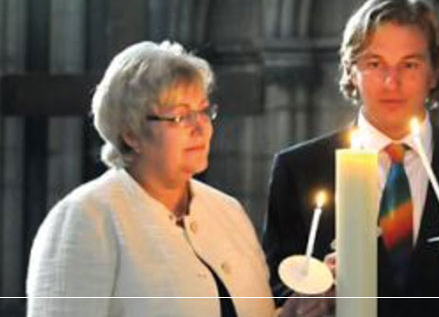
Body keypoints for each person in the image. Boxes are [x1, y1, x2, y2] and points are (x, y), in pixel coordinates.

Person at [263, 0, 439, 317]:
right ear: (351, 71)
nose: (392, 82)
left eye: (410, 64)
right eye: (375, 64)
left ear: (434, 72)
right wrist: (304, 299)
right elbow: (273, 291)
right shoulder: (299, 170)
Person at [26, 40, 321, 317]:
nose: (200, 127)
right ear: (131, 133)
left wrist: (290, 313)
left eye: (204, 111)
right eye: (180, 116)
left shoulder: (227, 212)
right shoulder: (86, 217)